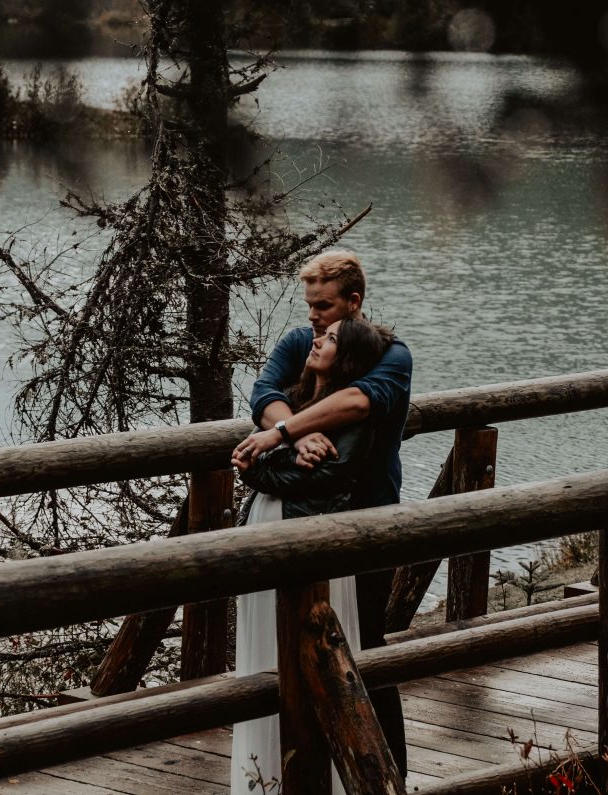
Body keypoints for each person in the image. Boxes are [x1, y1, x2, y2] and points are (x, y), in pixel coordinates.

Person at [232, 249, 412, 776]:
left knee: (366, 652)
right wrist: (301, 432)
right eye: (309, 305)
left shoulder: (391, 354)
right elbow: (264, 393)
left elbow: (360, 402)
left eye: (324, 307)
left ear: (353, 302)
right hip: (299, 516)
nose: (312, 317)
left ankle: (386, 771)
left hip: (368, 518)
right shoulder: (300, 343)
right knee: (285, 646)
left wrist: (281, 433)